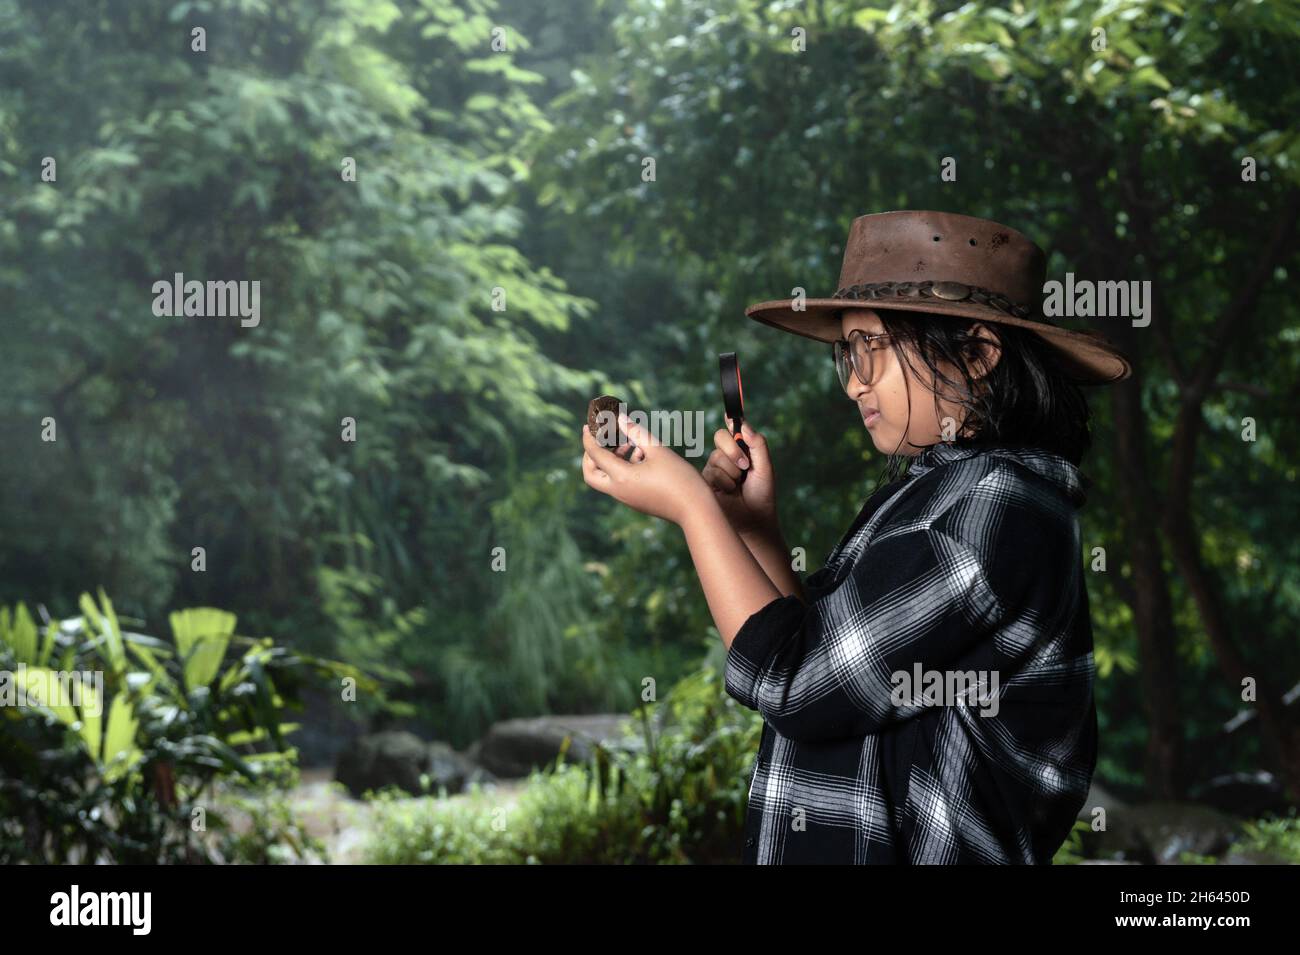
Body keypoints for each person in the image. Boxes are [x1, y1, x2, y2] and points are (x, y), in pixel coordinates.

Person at [579, 211, 1132, 863]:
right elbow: (832, 671)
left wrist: (694, 508)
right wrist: (755, 529)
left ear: (980, 353)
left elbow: (793, 685)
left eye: (871, 347)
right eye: (847, 352)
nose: (852, 381)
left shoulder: (995, 503)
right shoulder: (942, 490)